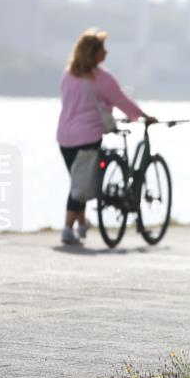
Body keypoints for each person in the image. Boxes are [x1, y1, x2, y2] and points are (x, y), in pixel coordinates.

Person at [56, 28, 155, 245]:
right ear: (93, 53)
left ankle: (82, 225)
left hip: (64, 136)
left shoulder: (68, 75)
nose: (106, 53)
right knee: (80, 186)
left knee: (77, 182)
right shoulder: (101, 78)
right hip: (87, 137)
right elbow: (123, 101)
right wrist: (143, 116)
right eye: (102, 49)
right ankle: (67, 229)